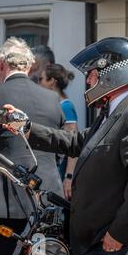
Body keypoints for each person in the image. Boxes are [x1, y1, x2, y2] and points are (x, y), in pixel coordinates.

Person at [3, 37, 128, 255]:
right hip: (99, 239)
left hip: (120, 243)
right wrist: (26, 127)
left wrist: (119, 233)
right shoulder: (114, 111)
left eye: (92, 73)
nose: (88, 81)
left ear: (113, 73)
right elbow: (75, 142)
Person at [0, 37, 65, 255]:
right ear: (30, 66)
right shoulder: (52, 98)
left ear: (0, 65)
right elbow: (58, 150)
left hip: (3, 201)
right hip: (47, 199)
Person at [38, 63, 78, 200]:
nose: (39, 83)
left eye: (41, 79)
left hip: (59, 173)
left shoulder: (66, 106)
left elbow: (73, 144)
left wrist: (68, 178)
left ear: (52, 82)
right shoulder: (52, 105)